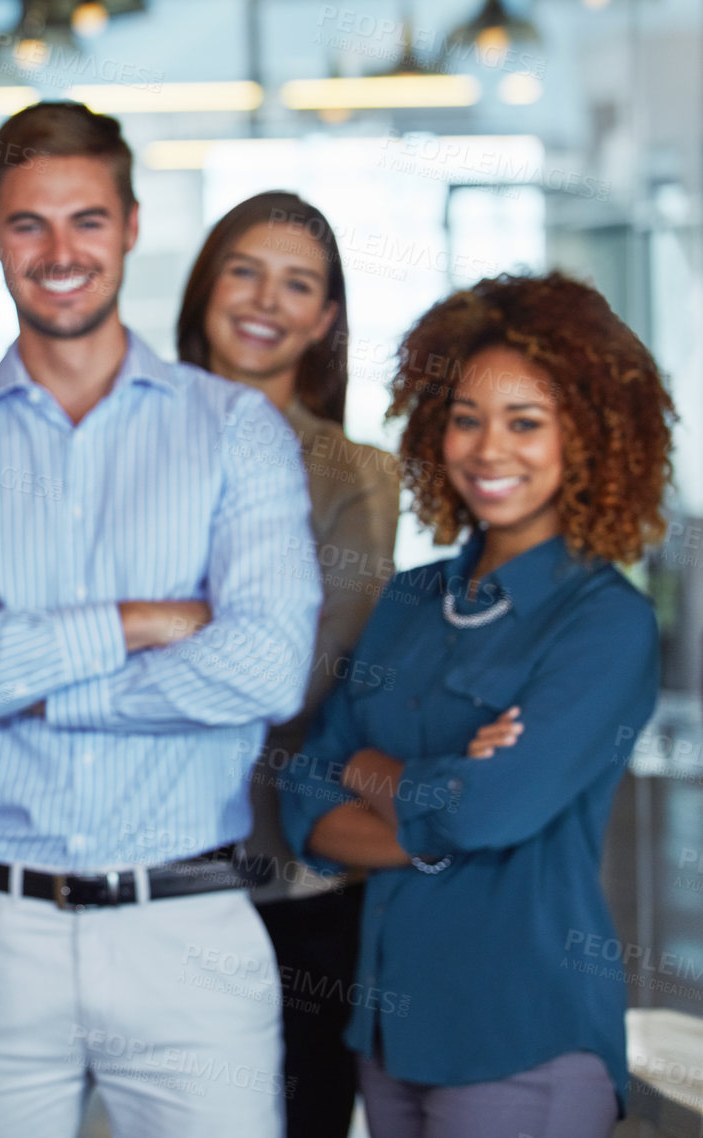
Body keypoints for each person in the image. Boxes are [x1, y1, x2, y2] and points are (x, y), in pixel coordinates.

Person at [0, 101, 322, 1138]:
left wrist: (14, 661)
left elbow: (265, 666)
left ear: (132, 223)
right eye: (29, 223)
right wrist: (143, 619)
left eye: (87, 220)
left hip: (190, 931)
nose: (60, 252)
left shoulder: (236, 433)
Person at [281, 272, 674, 1138]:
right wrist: (422, 785)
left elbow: (488, 810)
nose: (488, 449)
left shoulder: (603, 623)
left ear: (589, 436)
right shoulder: (411, 598)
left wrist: (371, 771)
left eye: (524, 422)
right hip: (385, 1031)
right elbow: (304, 796)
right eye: (466, 418)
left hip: (519, 1036)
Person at [175, 190, 400, 1137]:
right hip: (140, 862)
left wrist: (123, 635)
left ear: (325, 318)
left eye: (297, 283)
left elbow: (293, 675)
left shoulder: (356, 476)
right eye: (244, 269)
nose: (266, 300)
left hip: (292, 876)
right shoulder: (116, 438)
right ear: (204, 289)